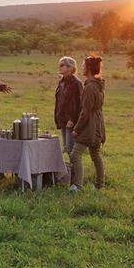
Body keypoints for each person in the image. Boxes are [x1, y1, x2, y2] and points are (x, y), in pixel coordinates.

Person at [70, 55, 106, 191]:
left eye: (84, 65)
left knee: (75, 155)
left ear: (89, 68)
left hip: (90, 125)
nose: (82, 67)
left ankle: (78, 185)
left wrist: (77, 129)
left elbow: (85, 111)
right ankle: (100, 184)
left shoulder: (90, 87)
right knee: (96, 155)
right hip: (98, 124)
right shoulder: (98, 84)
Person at [54, 56, 83, 161]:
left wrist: (73, 119)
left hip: (71, 120)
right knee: (66, 147)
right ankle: (70, 173)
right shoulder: (61, 81)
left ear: (70, 67)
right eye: (59, 65)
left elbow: (80, 104)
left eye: (62, 65)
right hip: (62, 118)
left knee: (71, 147)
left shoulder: (77, 83)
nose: (59, 67)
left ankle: (75, 174)